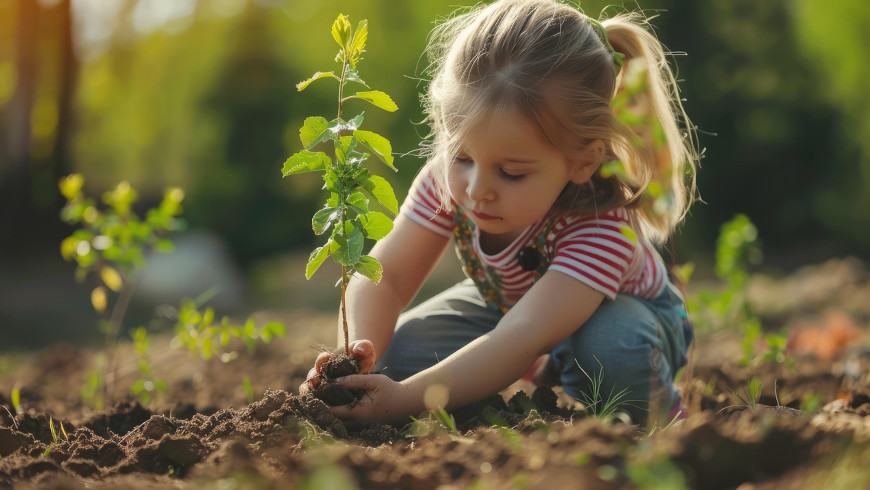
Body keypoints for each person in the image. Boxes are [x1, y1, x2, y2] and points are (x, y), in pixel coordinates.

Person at [300, 0, 698, 426]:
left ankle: (660, 408)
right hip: (515, 311)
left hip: (625, 318)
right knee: (397, 356)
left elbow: (523, 335)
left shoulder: (602, 225)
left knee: (611, 349)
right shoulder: (448, 179)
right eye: (462, 156)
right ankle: (543, 364)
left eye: (511, 173)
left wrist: (407, 399)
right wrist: (358, 351)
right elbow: (389, 275)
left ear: (583, 161)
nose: (476, 190)